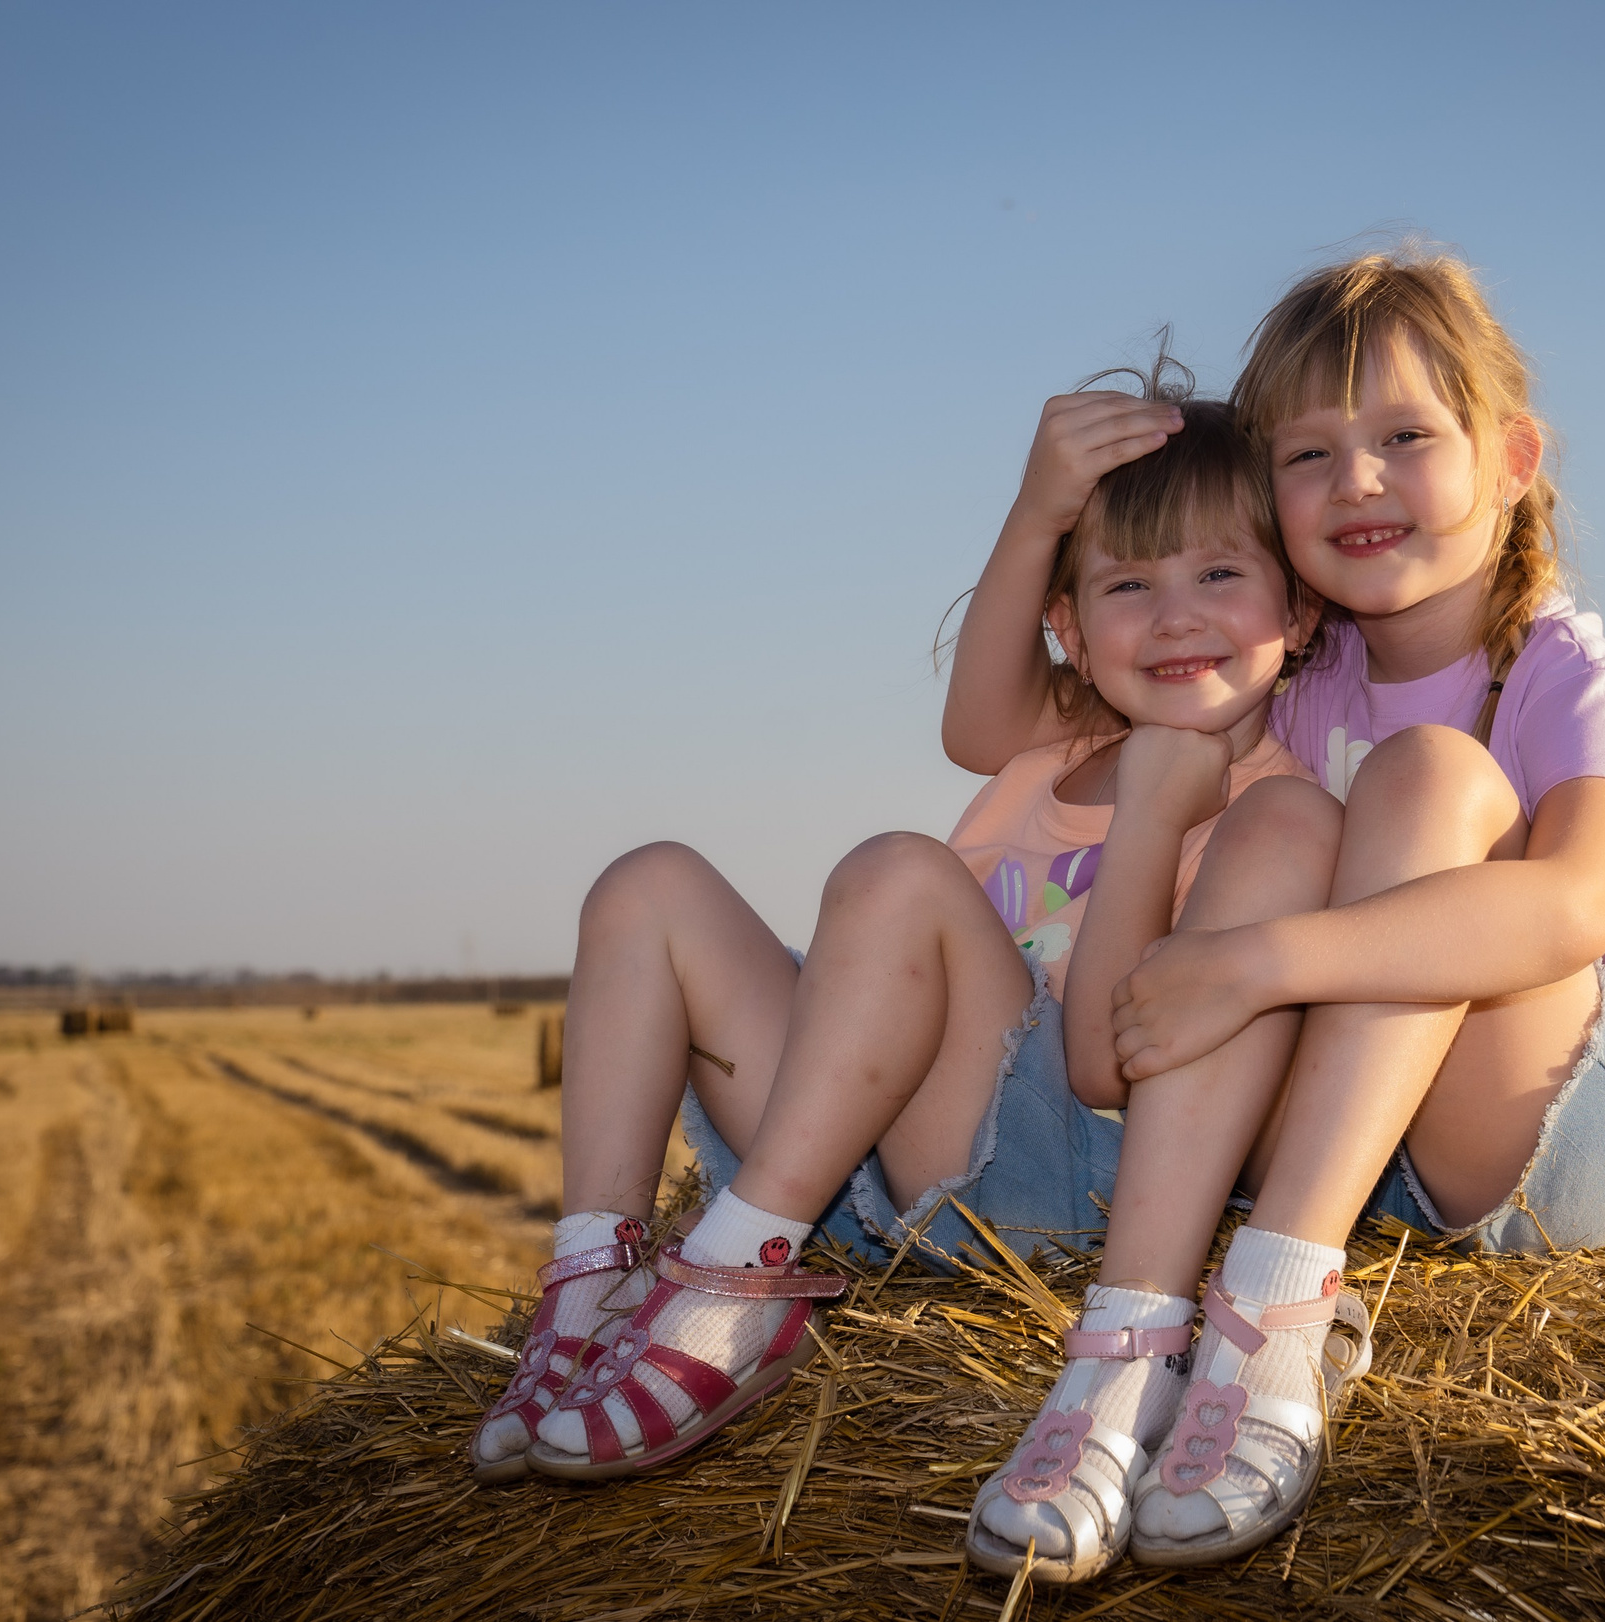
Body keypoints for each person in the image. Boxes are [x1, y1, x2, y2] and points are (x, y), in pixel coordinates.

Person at [942, 250, 1605, 1573]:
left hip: (1556, 1112)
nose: (1357, 480)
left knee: (1428, 778)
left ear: (1514, 455)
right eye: (1308, 455)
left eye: (1406, 436)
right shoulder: (1296, 669)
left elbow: (1571, 910)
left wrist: (1259, 961)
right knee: (1283, 818)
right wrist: (1038, 515)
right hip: (1370, 1147)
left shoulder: (1563, 673)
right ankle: (1127, 1335)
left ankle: (1274, 1296)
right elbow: (989, 727)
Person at [470, 376, 1332, 1493]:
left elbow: (1109, 1062)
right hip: (868, 1152)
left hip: (1051, 1180)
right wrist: (1036, 508)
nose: (1174, 614)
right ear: (1065, 625)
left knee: (897, 875)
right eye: (1128, 582)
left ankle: (735, 1272)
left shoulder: (1273, 810)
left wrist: (1157, 816)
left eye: (1220, 573)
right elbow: (968, 720)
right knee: (647, 886)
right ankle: (598, 1280)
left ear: (1298, 612)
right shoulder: (1054, 737)